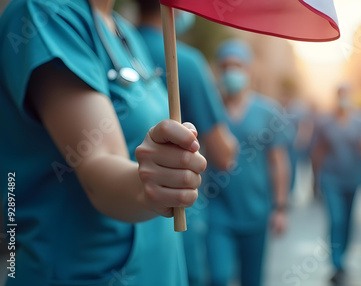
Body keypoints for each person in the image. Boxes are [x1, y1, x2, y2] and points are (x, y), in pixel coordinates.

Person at [0, 0, 207, 285]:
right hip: (87, 272)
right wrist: (151, 184)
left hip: (159, 269)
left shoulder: (123, 30)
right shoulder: (44, 12)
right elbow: (97, 163)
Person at [135, 3, 237, 285]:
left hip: (119, 225)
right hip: (177, 214)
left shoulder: (120, 49)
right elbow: (224, 154)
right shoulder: (185, 62)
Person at [205, 39, 290, 286]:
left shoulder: (268, 112)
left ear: (249, 69)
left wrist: (280, 207)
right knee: (219, 277)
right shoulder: (209, 109)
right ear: (219, 70)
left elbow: (278, 162)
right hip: (217, 211)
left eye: (238, 65)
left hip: (256, 212)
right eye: (226, 66)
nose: (232, 72)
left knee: (252, 280)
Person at [311, 84, 361, 284]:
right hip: (331, 179)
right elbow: (319, 151)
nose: (344, 98)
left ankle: (344, 255)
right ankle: (337, 262)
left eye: (347, 94)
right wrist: (315, 179)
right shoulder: (325, 122)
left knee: (349, 220)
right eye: (340, 94)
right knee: (336, 219)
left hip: (353, 179)